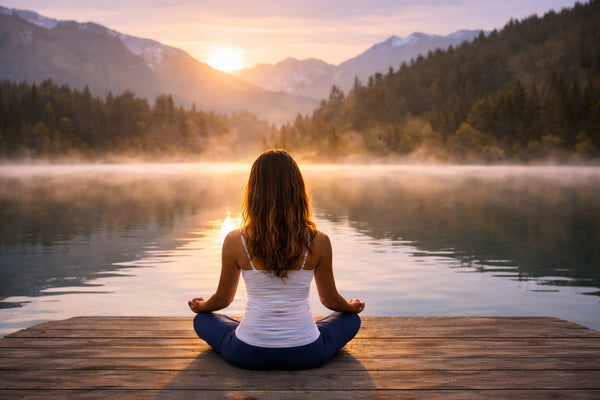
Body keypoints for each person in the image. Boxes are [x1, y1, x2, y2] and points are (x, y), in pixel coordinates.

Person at [188, 149, 365, 370]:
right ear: (297, 190)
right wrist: (351, 307)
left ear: (254, 191)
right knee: (350, 320)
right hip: (307, 353)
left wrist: (203, 305)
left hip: (247, 353)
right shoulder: (319, 240)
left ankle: (251, 331)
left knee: (202, 320)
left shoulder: (235, 240)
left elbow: (223, 300)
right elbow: (329, 301)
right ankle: (302, 331)